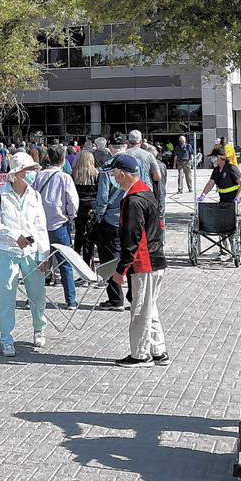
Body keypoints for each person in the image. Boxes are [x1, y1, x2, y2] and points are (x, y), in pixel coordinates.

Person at [108, 152, 168, 367]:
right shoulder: (146, 192)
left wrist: (121, 270)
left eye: (115, 174)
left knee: (140, 310)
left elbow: (132, 238)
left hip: (144, 262)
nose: (114, 179)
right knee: (149, 308)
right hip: (155, 259)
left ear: (123, 174)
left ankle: (140, 354)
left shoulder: (133, 201)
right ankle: (159, 351)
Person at [0, 151, 50, 357]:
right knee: (6, 295)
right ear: (18, 172)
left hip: (32, 251)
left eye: (34, 169)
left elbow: (41, 227)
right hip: (7, 251)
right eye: (29, 169)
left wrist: (44, 255)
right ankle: (6, 337)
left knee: (37, 293)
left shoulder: (35, 195)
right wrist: (15, 236)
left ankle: (39, 328)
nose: (33, 173)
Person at [32, 145, 80, 309]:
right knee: (65, 263)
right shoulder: (64, 177)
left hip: (40, 226)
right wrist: (71, 216)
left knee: (40, 263)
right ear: (63, 159)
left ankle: (32, 298)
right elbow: (72, 201)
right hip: (59, 224)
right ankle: (71, 300)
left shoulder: (38, 177)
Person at [70, 149, 100, 266]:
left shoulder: (74, 174)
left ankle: (77, 260)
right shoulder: (97, 174)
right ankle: (89, 261)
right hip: (92, 207)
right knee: (90, 236)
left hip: (79, 206)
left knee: (79, 234)